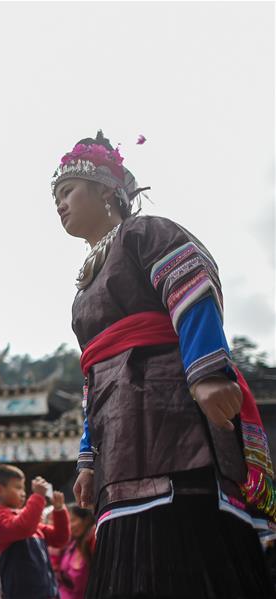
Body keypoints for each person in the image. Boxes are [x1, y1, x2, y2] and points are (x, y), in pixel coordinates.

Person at [54, 131, 275, 597]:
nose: (60, 204)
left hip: (168, 407)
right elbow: (92, 376)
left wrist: (206, 372)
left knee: (185, 549)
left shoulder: (145, 233)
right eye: (55, 197)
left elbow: (191, 286)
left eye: (68, 191)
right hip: (117, 433)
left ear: (106, 190)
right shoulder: (82, 289)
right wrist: (88, 459)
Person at [0, 466, 69, 599]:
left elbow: (60, 538)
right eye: (18, 488)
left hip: (49, 591)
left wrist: (59, 510)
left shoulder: (29, 519)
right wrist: (37, 496)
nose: (23, 493)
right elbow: (23, 527)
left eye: (23, 488)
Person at [57, 504, 94, 599]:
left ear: (86, 520)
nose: (70, 526)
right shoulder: (70, 545)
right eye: (68, 521)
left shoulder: (92, 543)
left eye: (73, 520)